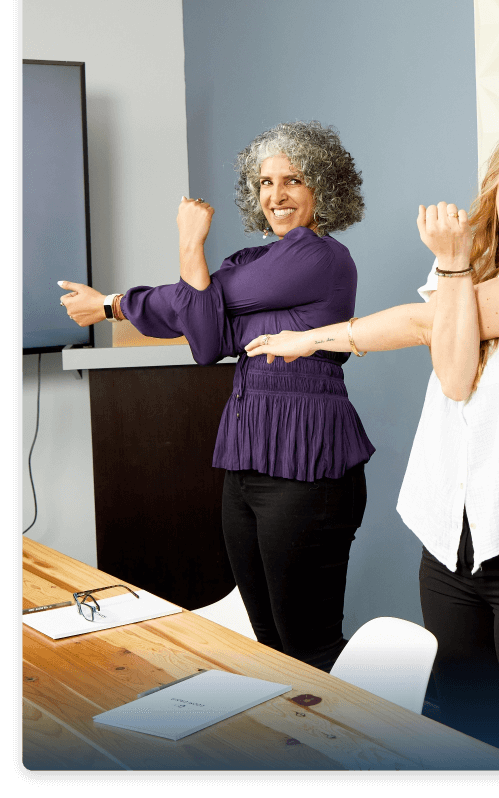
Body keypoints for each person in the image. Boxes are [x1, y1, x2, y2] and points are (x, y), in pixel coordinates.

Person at [244, 114, 499, 770]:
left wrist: (316, 335)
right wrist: (317, 336)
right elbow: (426, 330)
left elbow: (449, 371)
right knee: (467, 738)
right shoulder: (469, 257)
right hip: (448, 545)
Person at [58, 120, 375, 673]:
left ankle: (360, 751)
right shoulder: (249, 262)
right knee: (268, 642)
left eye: (292, 180)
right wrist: (137, 300)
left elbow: (199, 298)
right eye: (264, 183)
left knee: (310, 644)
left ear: (322, 187)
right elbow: (204, 336)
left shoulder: (323, 258)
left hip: (308, 459)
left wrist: (180, 250)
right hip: (247, 457)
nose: (275, 196)